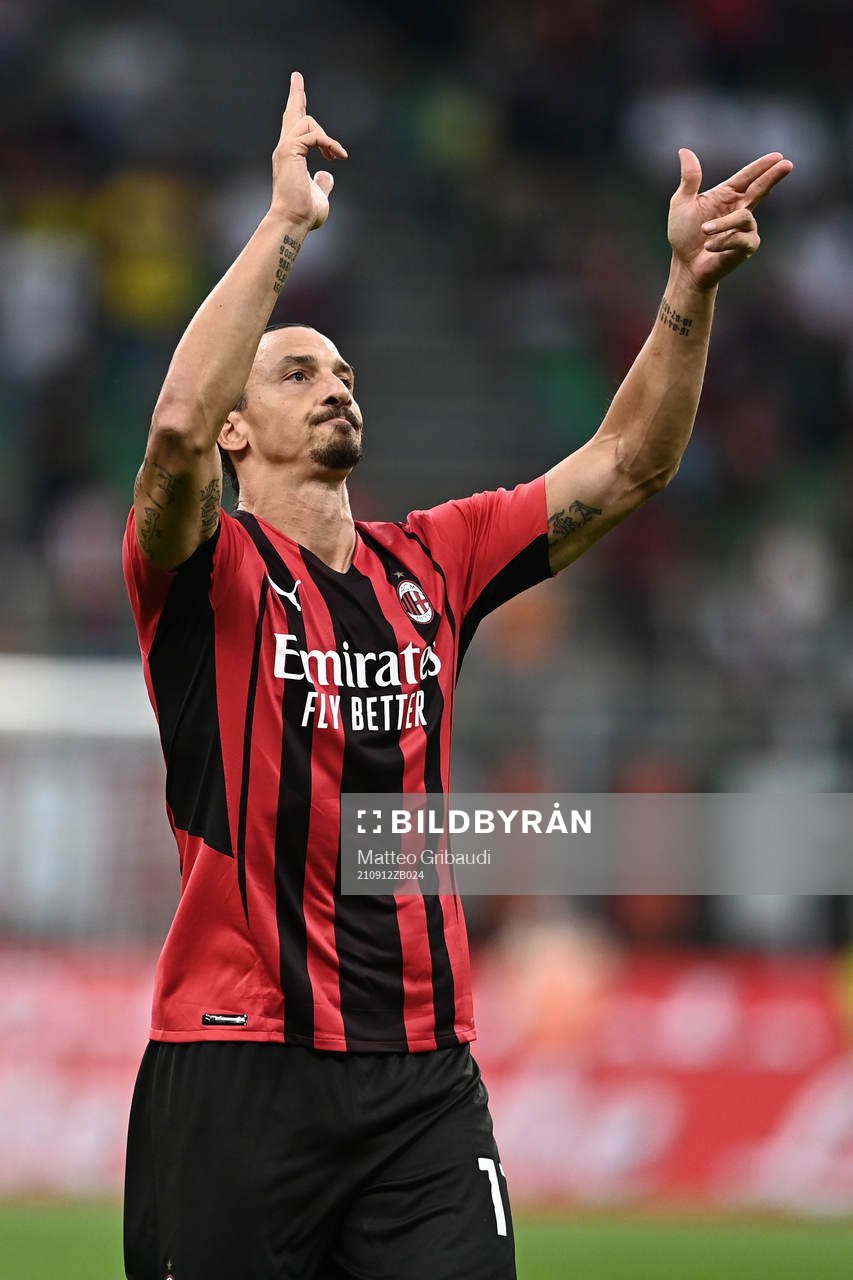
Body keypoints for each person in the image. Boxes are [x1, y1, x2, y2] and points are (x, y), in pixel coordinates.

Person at [122, 70, 791, 1280]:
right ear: (239, 427)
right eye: (297, 372)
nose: (337, 383)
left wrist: (686, 291)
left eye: (345, 374)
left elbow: (628, 464)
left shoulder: (433, 558)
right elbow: (171, 429)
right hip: (237, 1061)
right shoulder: (201, 572)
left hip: (424, 1080)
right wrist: (283, 229)